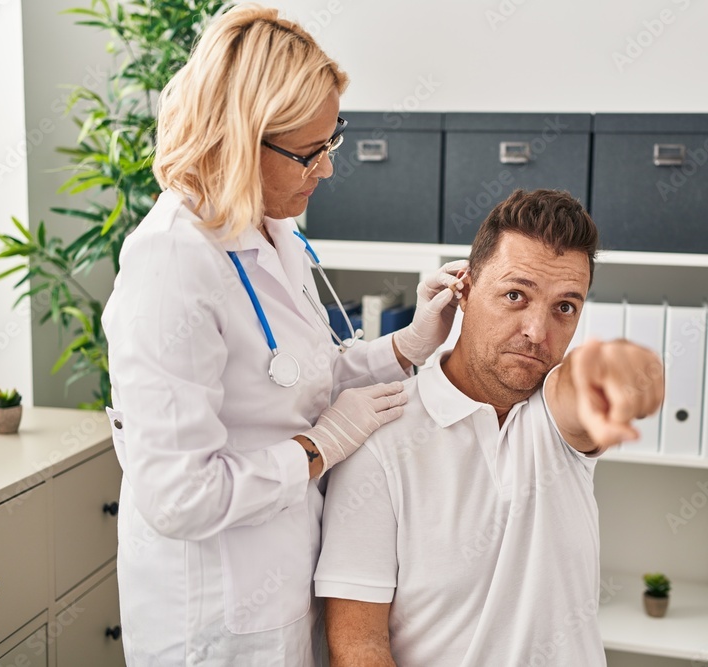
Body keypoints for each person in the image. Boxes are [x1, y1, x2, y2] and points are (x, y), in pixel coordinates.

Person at [100, 6, 465, 666]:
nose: (327, 169)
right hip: (213, 619)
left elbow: (301, 373)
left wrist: (407, 345)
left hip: (288, 584)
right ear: (242, 135)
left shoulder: (274, 229)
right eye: (309, 152)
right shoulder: (172, 262)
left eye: (334, 141)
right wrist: (316, 449)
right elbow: (179, 497)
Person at [314, 189, 665, 666]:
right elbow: (359, 645)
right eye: (515, 296)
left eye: (565, 307)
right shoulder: (380, 438)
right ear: (465, 290)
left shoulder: (554, 418)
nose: (538, 332)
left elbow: (580, 390)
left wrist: (624, 370)